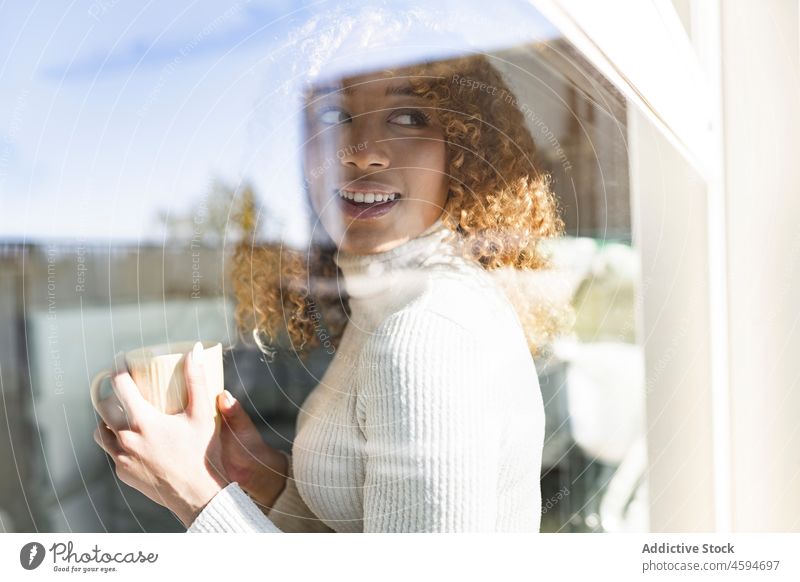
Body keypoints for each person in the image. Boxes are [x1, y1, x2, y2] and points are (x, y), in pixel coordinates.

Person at [92, 54, 566, 532]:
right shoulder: (395, 304)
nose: (361, 151)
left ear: (463, 150)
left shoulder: (424, 333)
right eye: (333, 117)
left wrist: (193, 493)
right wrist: (262, 480)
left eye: (407, 116)